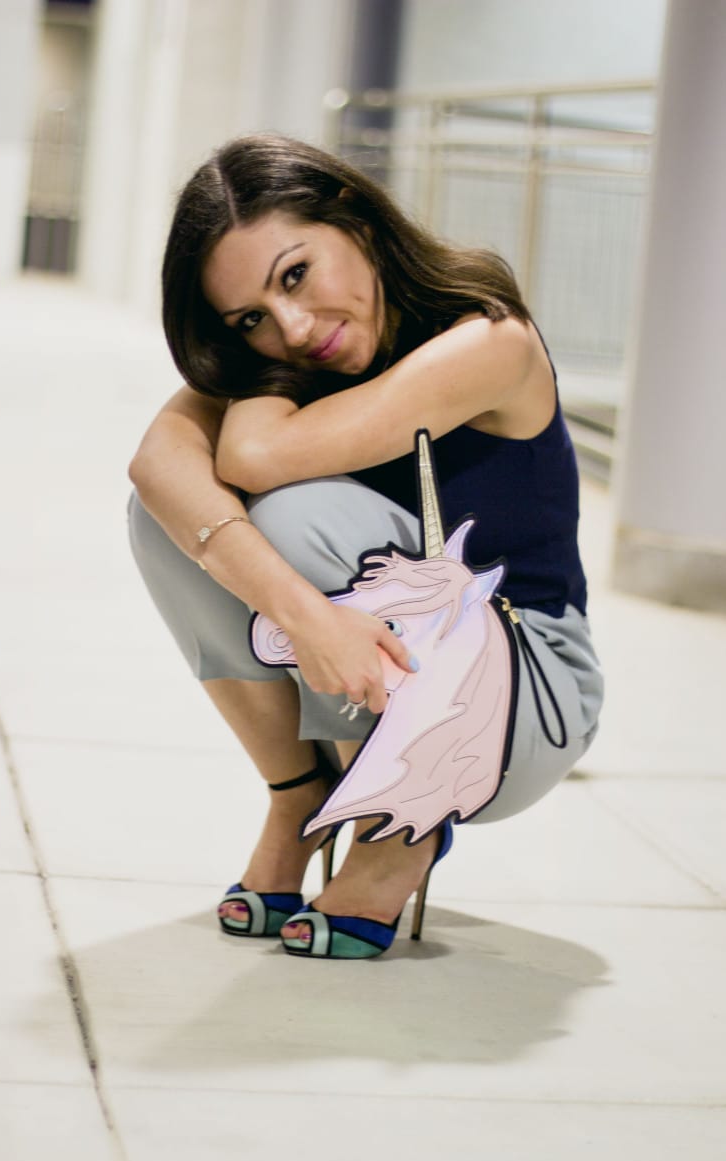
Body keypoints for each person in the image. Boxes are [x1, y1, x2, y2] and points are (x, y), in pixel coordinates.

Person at [127, 133, 603, 959]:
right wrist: (306, 615)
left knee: (290, 511)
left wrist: (300, 608)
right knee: (166, 521)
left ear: (351, 214)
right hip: (402, 666)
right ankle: (300, 793)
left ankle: (394, 826)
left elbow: (253, 458)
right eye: (250, 319)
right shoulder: (294, 354)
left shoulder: (488, 340)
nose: (295, 327)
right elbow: (156, 468)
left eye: (296, 274)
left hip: (526, 692)